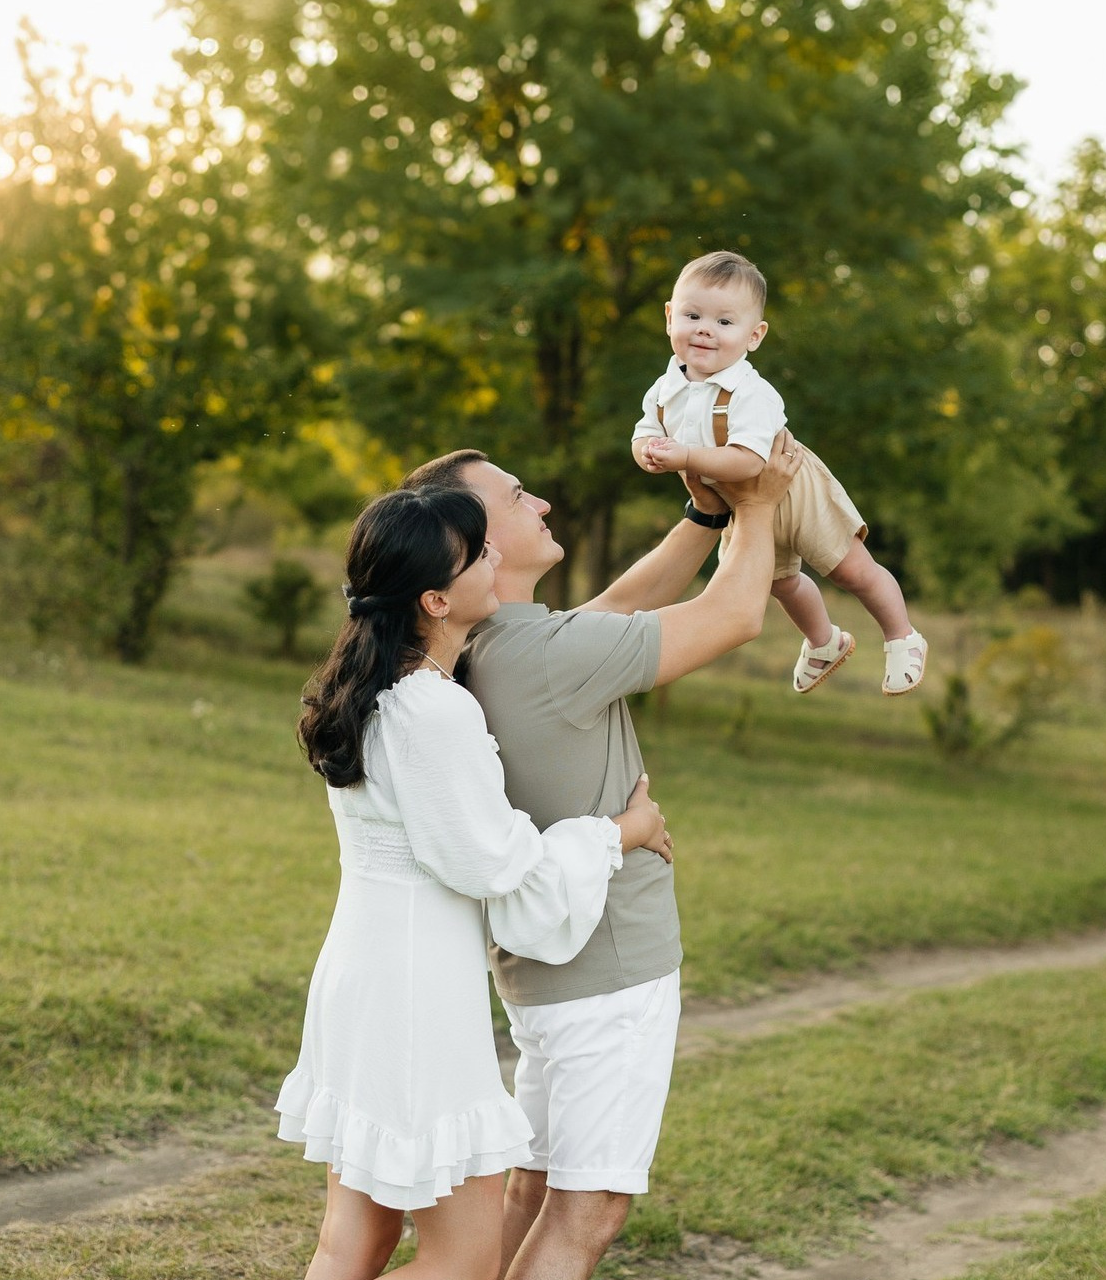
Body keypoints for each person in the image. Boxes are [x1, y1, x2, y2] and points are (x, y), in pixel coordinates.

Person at [402, 433, 804, 1280]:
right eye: (518, 497)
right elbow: (734, 616)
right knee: (589, 1210)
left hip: (545, 971)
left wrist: (703, 517)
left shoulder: (489, 646)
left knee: (533, 1188)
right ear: (477, 541)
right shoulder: (548, 658)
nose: (542, 502)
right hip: (610, 975)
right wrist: (761, 504)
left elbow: (620, 606)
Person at [275, 486, 674, 1280]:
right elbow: (501, 867)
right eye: (477, 553)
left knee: (353, 1241)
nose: (495, 556)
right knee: (461, 1262)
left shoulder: (377, 690)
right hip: (414, 999)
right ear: (435, 599)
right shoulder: (434, 711)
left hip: (361, 977)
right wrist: (621, 832)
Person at [632, 249, 927, 697]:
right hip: (742, 505)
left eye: (724, 322)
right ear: (670, 317)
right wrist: (647, 453)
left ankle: (902, 636)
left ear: (754, 335)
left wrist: (686, 456)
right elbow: (645, 432)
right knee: (778, 582)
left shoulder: (751, 392)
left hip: (792, 488)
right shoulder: (664, 389)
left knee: (851, 570)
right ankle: (824, 642)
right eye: (693, 316)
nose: (705, 329)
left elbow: (750, 462)